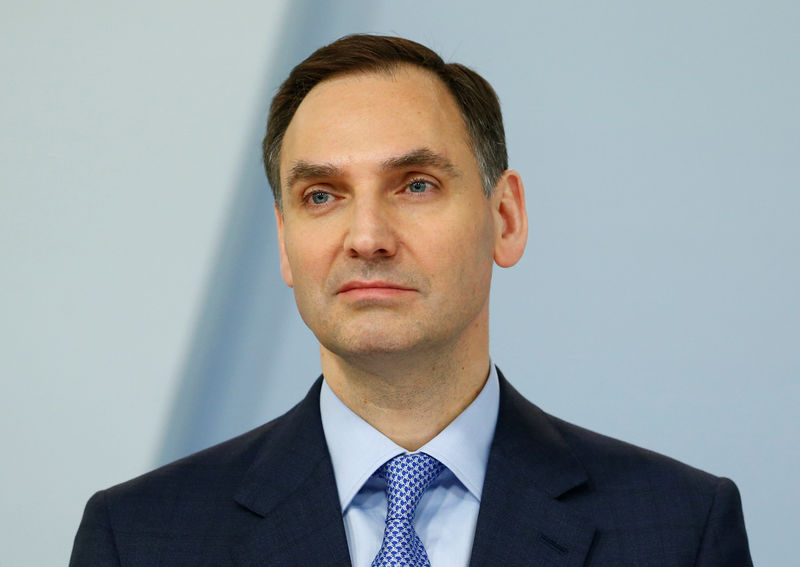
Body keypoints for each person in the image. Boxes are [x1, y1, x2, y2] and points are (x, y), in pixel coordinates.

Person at [70, 34, 752, 566]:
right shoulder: (140, 538)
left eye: (416, 185)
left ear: (505, 218)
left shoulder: (679, 528)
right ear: (284, 242)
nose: (366, 237)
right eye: (321, 196)